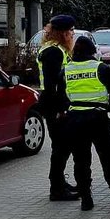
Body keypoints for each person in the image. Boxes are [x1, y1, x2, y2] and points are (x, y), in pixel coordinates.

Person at [63, 35, 110, 211]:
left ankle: (86, 199)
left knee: (81, 161)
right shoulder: (100, 68)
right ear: (92, 51)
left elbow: (61, 94)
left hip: (75, 119)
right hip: (97, 119)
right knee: (109, 158)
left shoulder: (66, 70)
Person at [37, 15, 78, 201]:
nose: (73, 34)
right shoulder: (53, 52)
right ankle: (57, 188)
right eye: (71, 31)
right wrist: (62, 109)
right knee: (61, 147)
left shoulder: (57, 49)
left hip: (54, 103)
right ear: (62, 33)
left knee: (61, 146)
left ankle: (59, 182)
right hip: (54, 104)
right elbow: (53, 83)